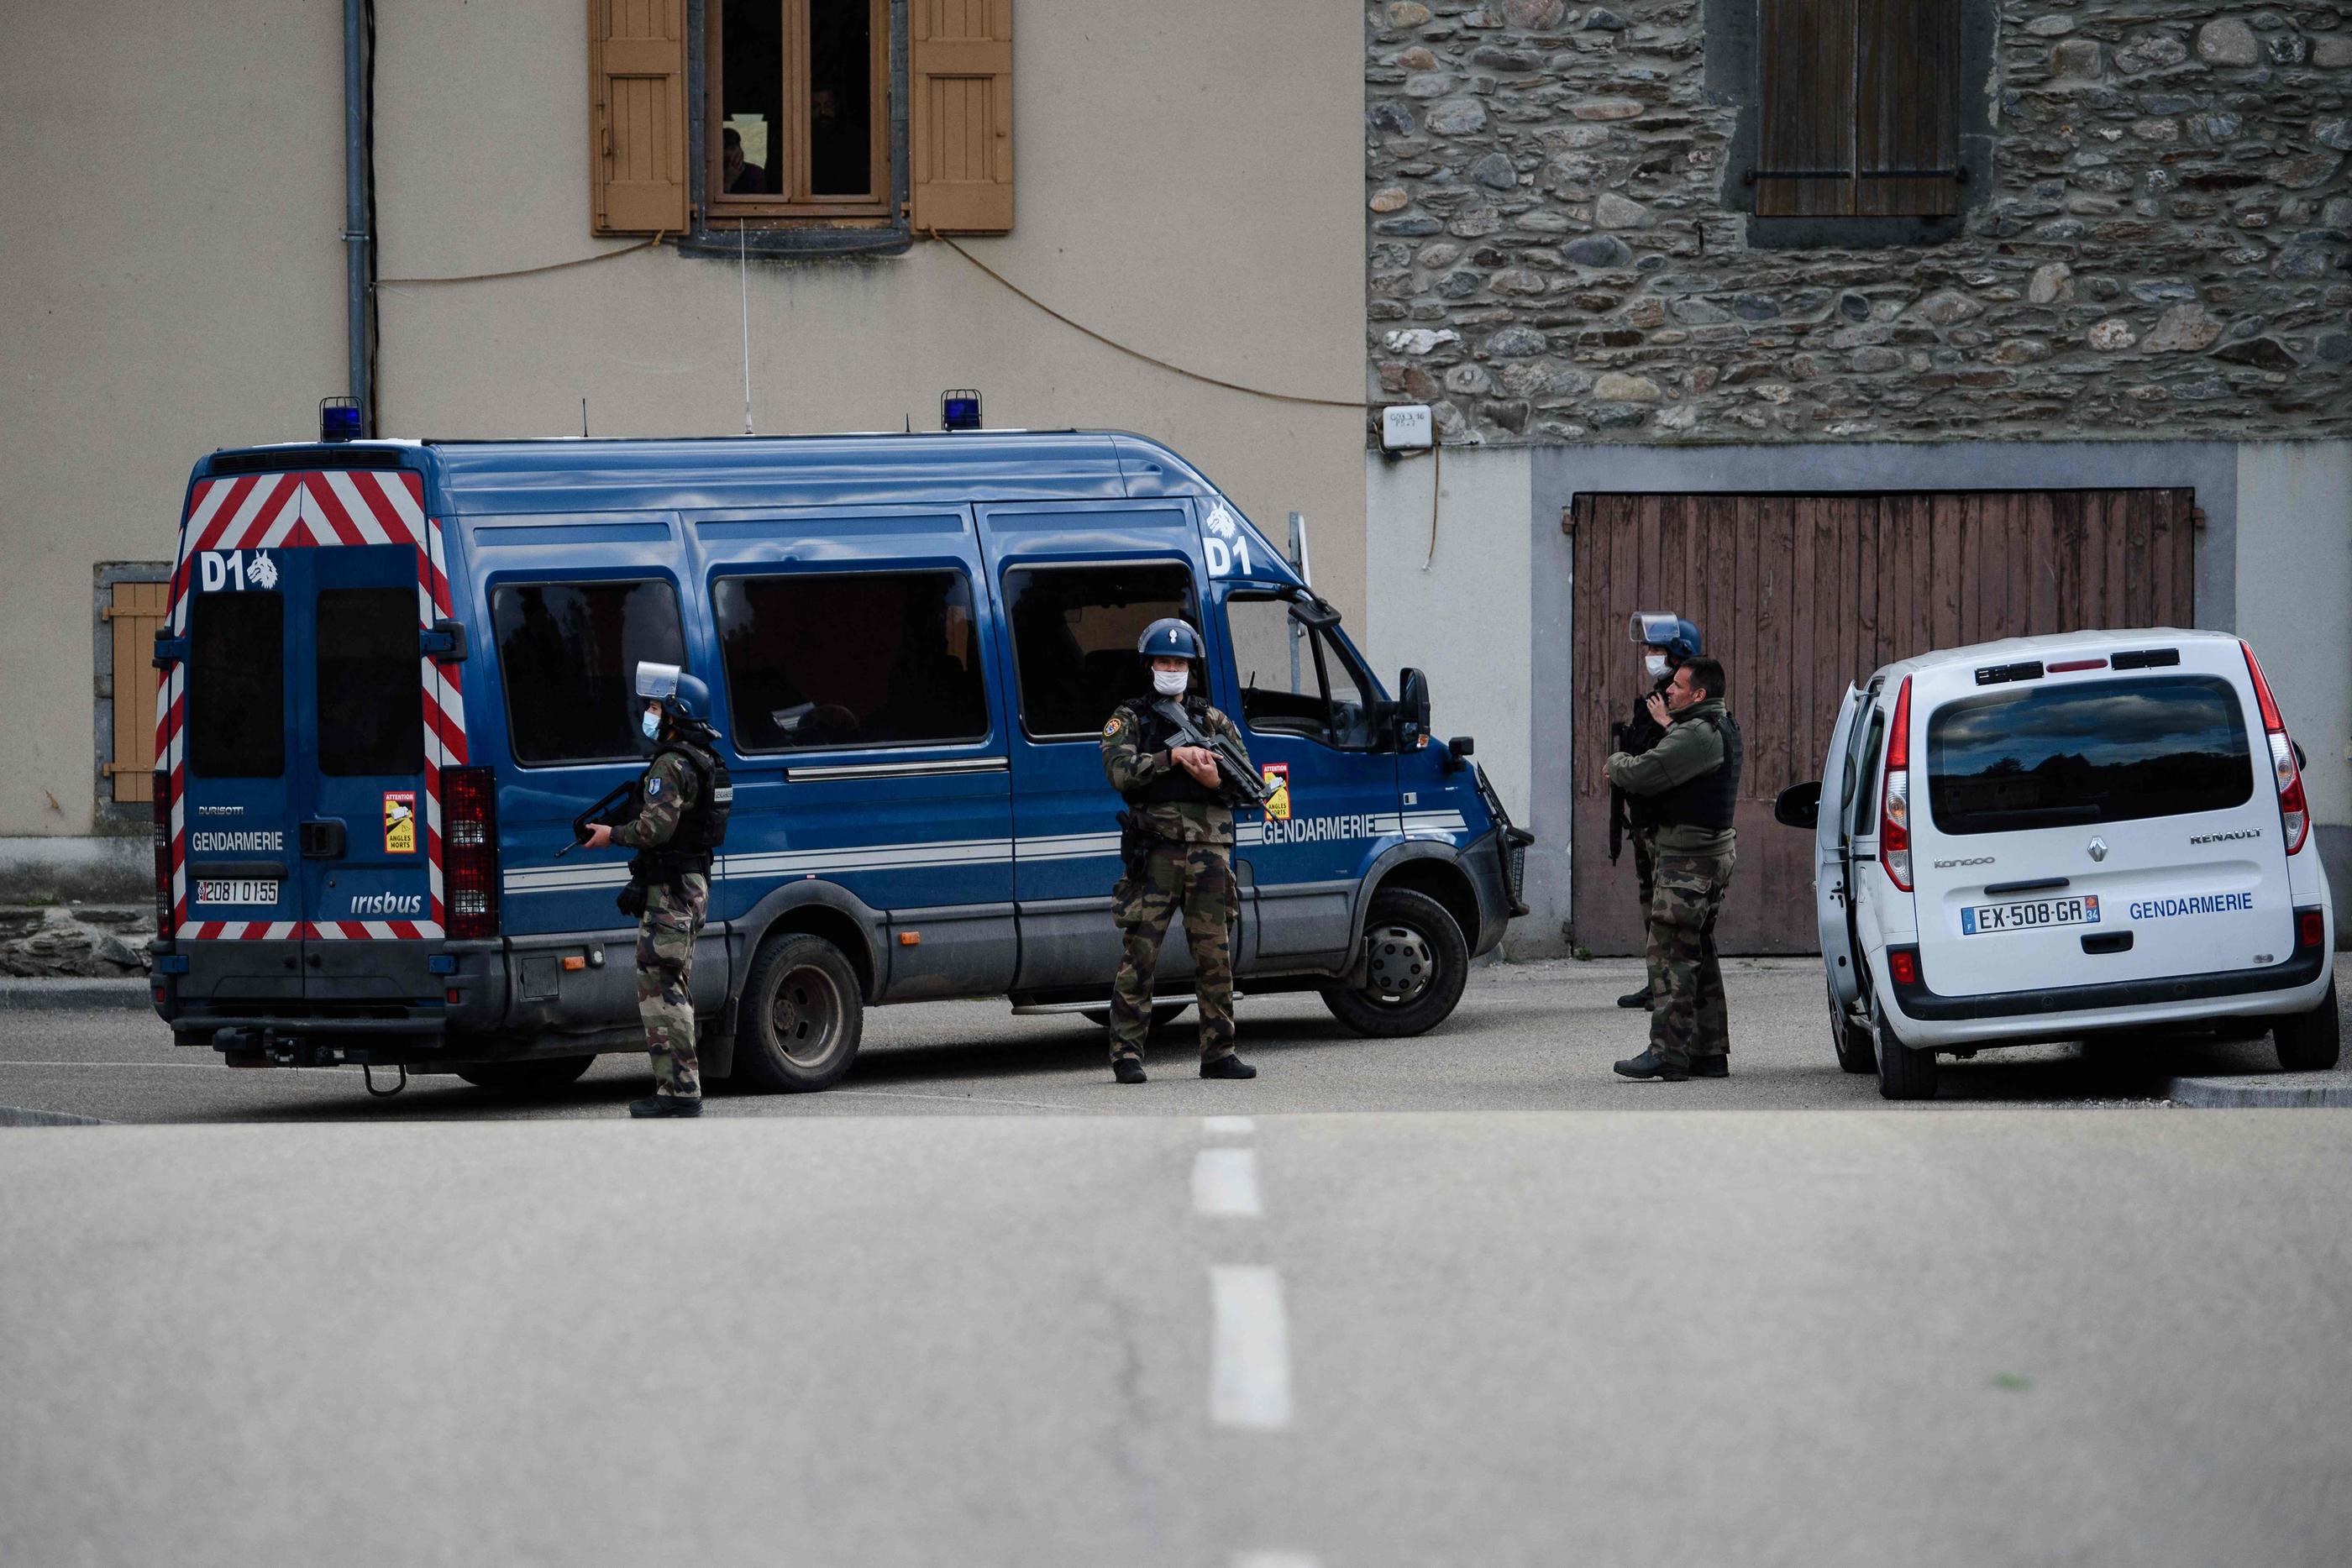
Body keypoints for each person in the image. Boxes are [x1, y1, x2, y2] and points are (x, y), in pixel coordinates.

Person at [1099, 618, 1258, 1084]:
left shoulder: (1212, 720)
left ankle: (1219, 1053)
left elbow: (1250, 784)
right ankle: (1126, 1055)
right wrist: (1172, 758)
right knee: (1140, 954)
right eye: (1165, 661)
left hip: (1209, 853)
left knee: (1215, 956)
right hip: (1158, 850)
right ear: (1150, 666)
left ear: (1191, 667)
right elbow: (1119, 772)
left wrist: (1214, 779)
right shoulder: (1128, 718)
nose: (1173, 668)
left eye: (1180, 662)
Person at [585, 661, 732, 1118]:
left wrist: (613, 835)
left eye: (654, 707)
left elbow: (655, 829)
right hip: (688, 884)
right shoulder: (706, 759)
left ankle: (679, 1092)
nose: (648, 715)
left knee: (663, 988)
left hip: (671, 890)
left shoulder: (671, 764)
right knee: (673, 983)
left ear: (675, 712)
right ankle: (677, 1089)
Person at [1604, 654, 1740, 1083]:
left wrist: (1615, 763)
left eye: (1678, 687)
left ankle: (1667, 1053)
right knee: (1697, 952)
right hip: (1705, 857)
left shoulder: (1697, 734)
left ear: (1698, 694)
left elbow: (1645, 772)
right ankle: (1709, 1052)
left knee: (1670, 957)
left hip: (1689, 862)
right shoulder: (1716, 726)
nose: (1669, 691)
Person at [1610, 614, 1704, 1011]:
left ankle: (1670, 988)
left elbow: (1680, 756)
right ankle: (1655, 984)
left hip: (1669, 824)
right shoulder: (1657, 695)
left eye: (1657, 650)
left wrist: (1665, 725)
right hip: (1645, 820)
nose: (1649, 656)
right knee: (1650, 907)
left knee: (1669, 916)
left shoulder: (1688, 702)